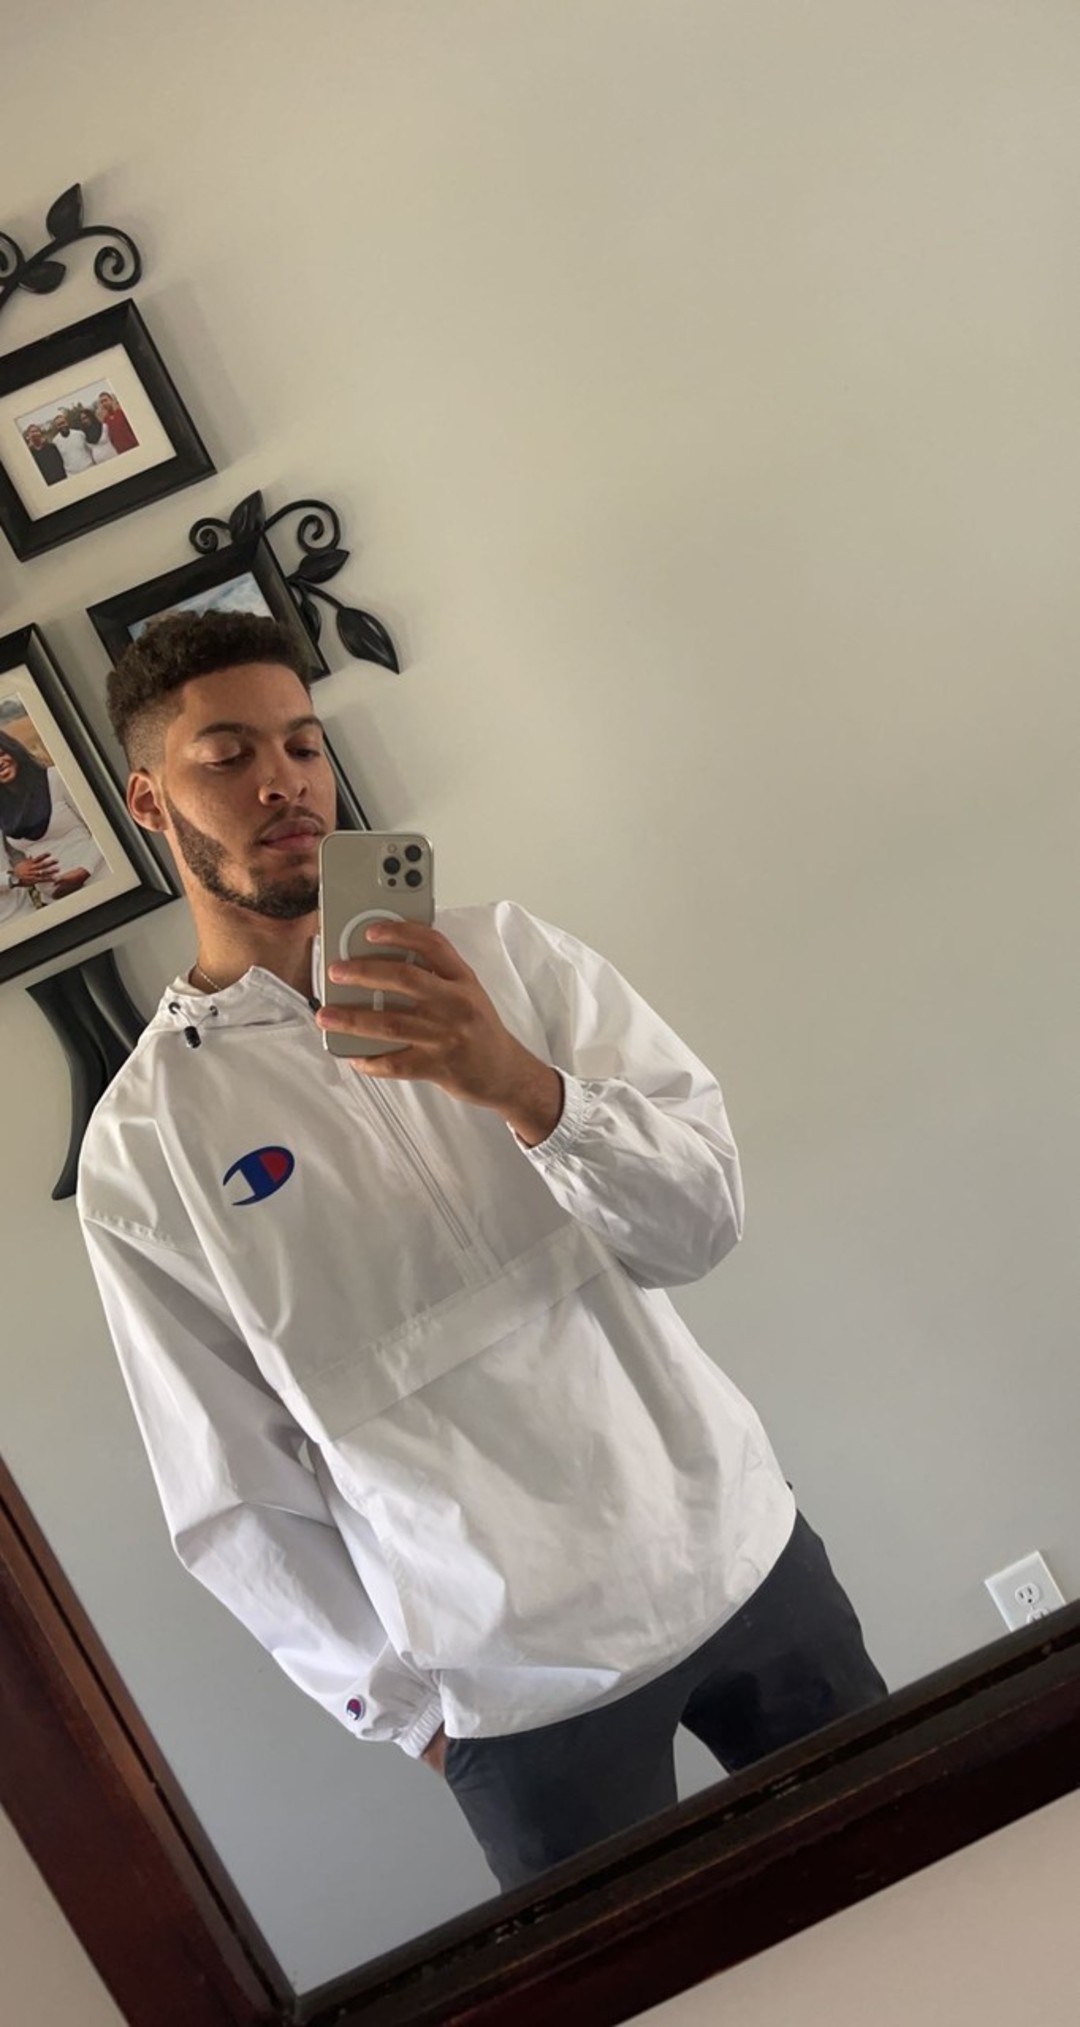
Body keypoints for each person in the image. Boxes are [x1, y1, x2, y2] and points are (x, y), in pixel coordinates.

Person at [76, 612, 886, 1894]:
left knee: (917, 1879)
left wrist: (524, 1086)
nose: (283, 781)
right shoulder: (144, 1144)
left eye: (303, 744)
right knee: (657, 1976)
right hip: (510, 1687)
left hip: (737, 1555)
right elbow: (229, 1482)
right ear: (147, 799)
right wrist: (414, 1716)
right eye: (228, 755)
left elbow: (700, 1223)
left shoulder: (507, 954)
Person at [0, 730, 106, 904]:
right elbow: (14, 854)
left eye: (1, 754)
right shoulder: (3, 809)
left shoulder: (56, 778)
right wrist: (19, 870)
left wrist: (84, 871)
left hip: (99, 881)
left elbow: (103, 827)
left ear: (13, 750)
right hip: (55, 901)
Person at [47, 410, 94, 476]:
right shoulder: (55, 442)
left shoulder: (79, 434)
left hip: (89, 468)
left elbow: (90, 450)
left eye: (63, 423)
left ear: (67, 422)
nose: (62, 426)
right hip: (72, 474)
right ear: (56, 427)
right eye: (59, 425)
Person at [97, 390, 138, 455]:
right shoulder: (105, 421)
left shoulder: (122, 413)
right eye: (102, 402)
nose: (104, 403)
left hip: (134, 446)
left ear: (111, 400)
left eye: (105, 400)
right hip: (121, 451)